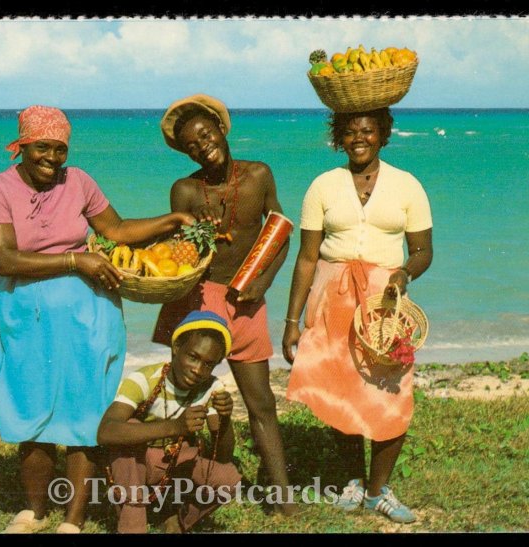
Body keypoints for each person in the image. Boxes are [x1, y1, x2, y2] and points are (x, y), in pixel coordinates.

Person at [0, 105, 195, 534]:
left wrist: (169, 221)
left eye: (60, 149)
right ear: (21, 146)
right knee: (33, 412)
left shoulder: (79, 181)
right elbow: (5, 259)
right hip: (26, 317)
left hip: (89, 317)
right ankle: (35, 512)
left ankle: (73, 520)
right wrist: (77, 260)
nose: (52, 158)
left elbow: (116, 230)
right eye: (42, 148)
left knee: (85, 413)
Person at [282, 107, 433, 524]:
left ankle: (376, 490)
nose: (359, 138)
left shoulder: (407, 186)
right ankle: (352, 479)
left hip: (385, 302)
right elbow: (307, 257)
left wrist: (404, 272)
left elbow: (423, 251)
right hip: (332, 296)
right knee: (339, 388)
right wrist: (292, 322)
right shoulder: (322, 186)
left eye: (368, 130)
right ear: (340, 139)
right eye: (350, 132)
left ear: (383, 135)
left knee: (393, 390)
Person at [151, 94, 297, 515]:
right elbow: (180, 256)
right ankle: (172, 487)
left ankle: (283, 501)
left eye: (205, 134)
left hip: (249, 298)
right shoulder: (185, 190)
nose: (202, 145)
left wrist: (263, 283)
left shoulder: (259, 175)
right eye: (191, 145)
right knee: (183, 400)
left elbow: (281, 233)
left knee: (262, 403)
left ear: (220, 127)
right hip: (202, 299)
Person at [98, 310, 242, 533]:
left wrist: (224, 420)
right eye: (193, 357)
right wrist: (175, 427)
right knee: (132, 430)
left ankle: (176, 519)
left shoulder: (211, 388)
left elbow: (222, 458)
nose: (198, 370)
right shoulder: (145, 379)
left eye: (209, 364)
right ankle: (133, 525)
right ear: (176, 349)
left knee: (228, 478)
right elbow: (106, 432)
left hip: (173, 464)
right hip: (134, 466)